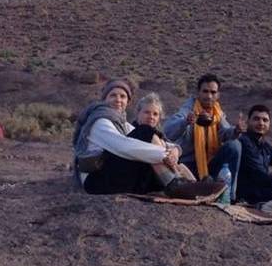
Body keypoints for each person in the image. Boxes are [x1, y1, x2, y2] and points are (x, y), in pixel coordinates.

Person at [73, 79, 225, 199]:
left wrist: (175, 151)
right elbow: (124, 147)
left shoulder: (122, 123)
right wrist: (165, 155)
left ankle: (191, 185)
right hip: (96, 181)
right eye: (113, 95)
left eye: (123, 96)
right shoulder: (100, 121)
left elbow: (164, 143)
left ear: (128, 102)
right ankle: (177, 184)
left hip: (114, 175)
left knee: (148, 139)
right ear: (104, 99)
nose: (118, 99)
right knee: (145, 132)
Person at [164, 74, 246, 202]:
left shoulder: (218, 112)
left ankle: (229, 196)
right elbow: (168, 131)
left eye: (213, 92)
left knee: (235, 145)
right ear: (198, 93)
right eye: (205, 91)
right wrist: (185, 121)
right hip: (189, 165)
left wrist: (236, 131)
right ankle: (204, 187)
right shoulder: (189, 109)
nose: (209, 96)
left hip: (210, 164)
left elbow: (225, 133)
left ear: (218, 95)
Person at [235, 104, 272, 204]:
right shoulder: (243, 141)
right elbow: (259, 173)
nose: (261, 123)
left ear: (269, 124)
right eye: (256, 119)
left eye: (265, 120)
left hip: (262, 191)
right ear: (248, 122)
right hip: (249, 195)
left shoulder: (265, 146)